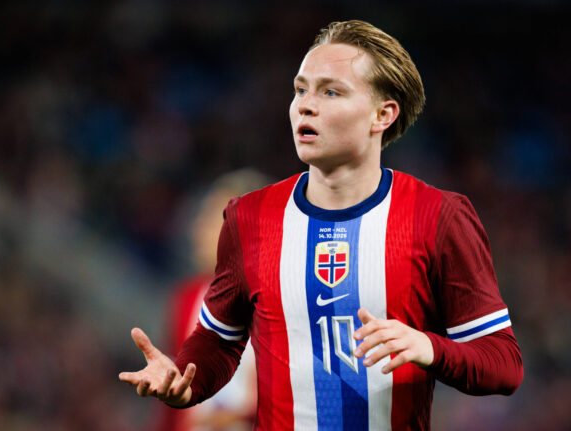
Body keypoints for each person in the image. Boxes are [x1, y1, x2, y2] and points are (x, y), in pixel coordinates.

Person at [120, 20, 523, 430]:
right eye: (301, 90)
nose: (305, 105)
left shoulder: (438, 216)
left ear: (382, 114)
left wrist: (429, 347)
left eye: (331, 92)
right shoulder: (250, 218)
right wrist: (185, 383)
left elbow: (504, 364)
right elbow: (218, 341)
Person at [154, 170, 270, 431]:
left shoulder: (279, 300)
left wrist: (242, 415)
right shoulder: (186, 300)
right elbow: (169, 402)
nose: (198, 229)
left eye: (211, 219)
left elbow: (297, 394)